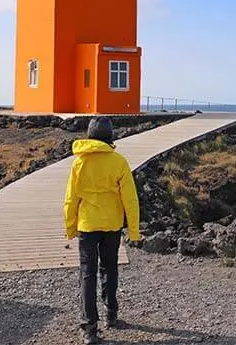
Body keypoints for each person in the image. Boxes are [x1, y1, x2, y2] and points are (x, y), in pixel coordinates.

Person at [64, 116, 141, 344]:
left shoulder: (79, 162)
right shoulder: (118, 162)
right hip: (112, 224)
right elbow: (131, 199)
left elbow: (71, 198)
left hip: (87, 225)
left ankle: (89, 328)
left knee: (87, 273)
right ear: (111, 137)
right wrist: (134, 231)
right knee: (110, 267)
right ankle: (111, 314)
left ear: (89, 135)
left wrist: (70, 226)